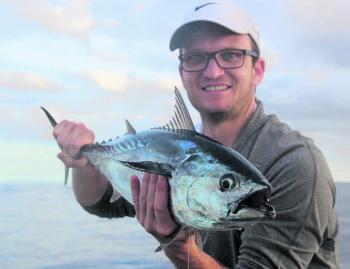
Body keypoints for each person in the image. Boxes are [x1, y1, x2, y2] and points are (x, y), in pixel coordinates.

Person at [52, 1, 339, 268]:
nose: (213, 71)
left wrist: (178, 246)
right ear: (182, 72)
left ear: (258, 70)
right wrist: (83, 161)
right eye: (196, 57)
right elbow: (101, 204)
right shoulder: (169, 151)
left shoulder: (296, 164)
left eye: (230, 55)